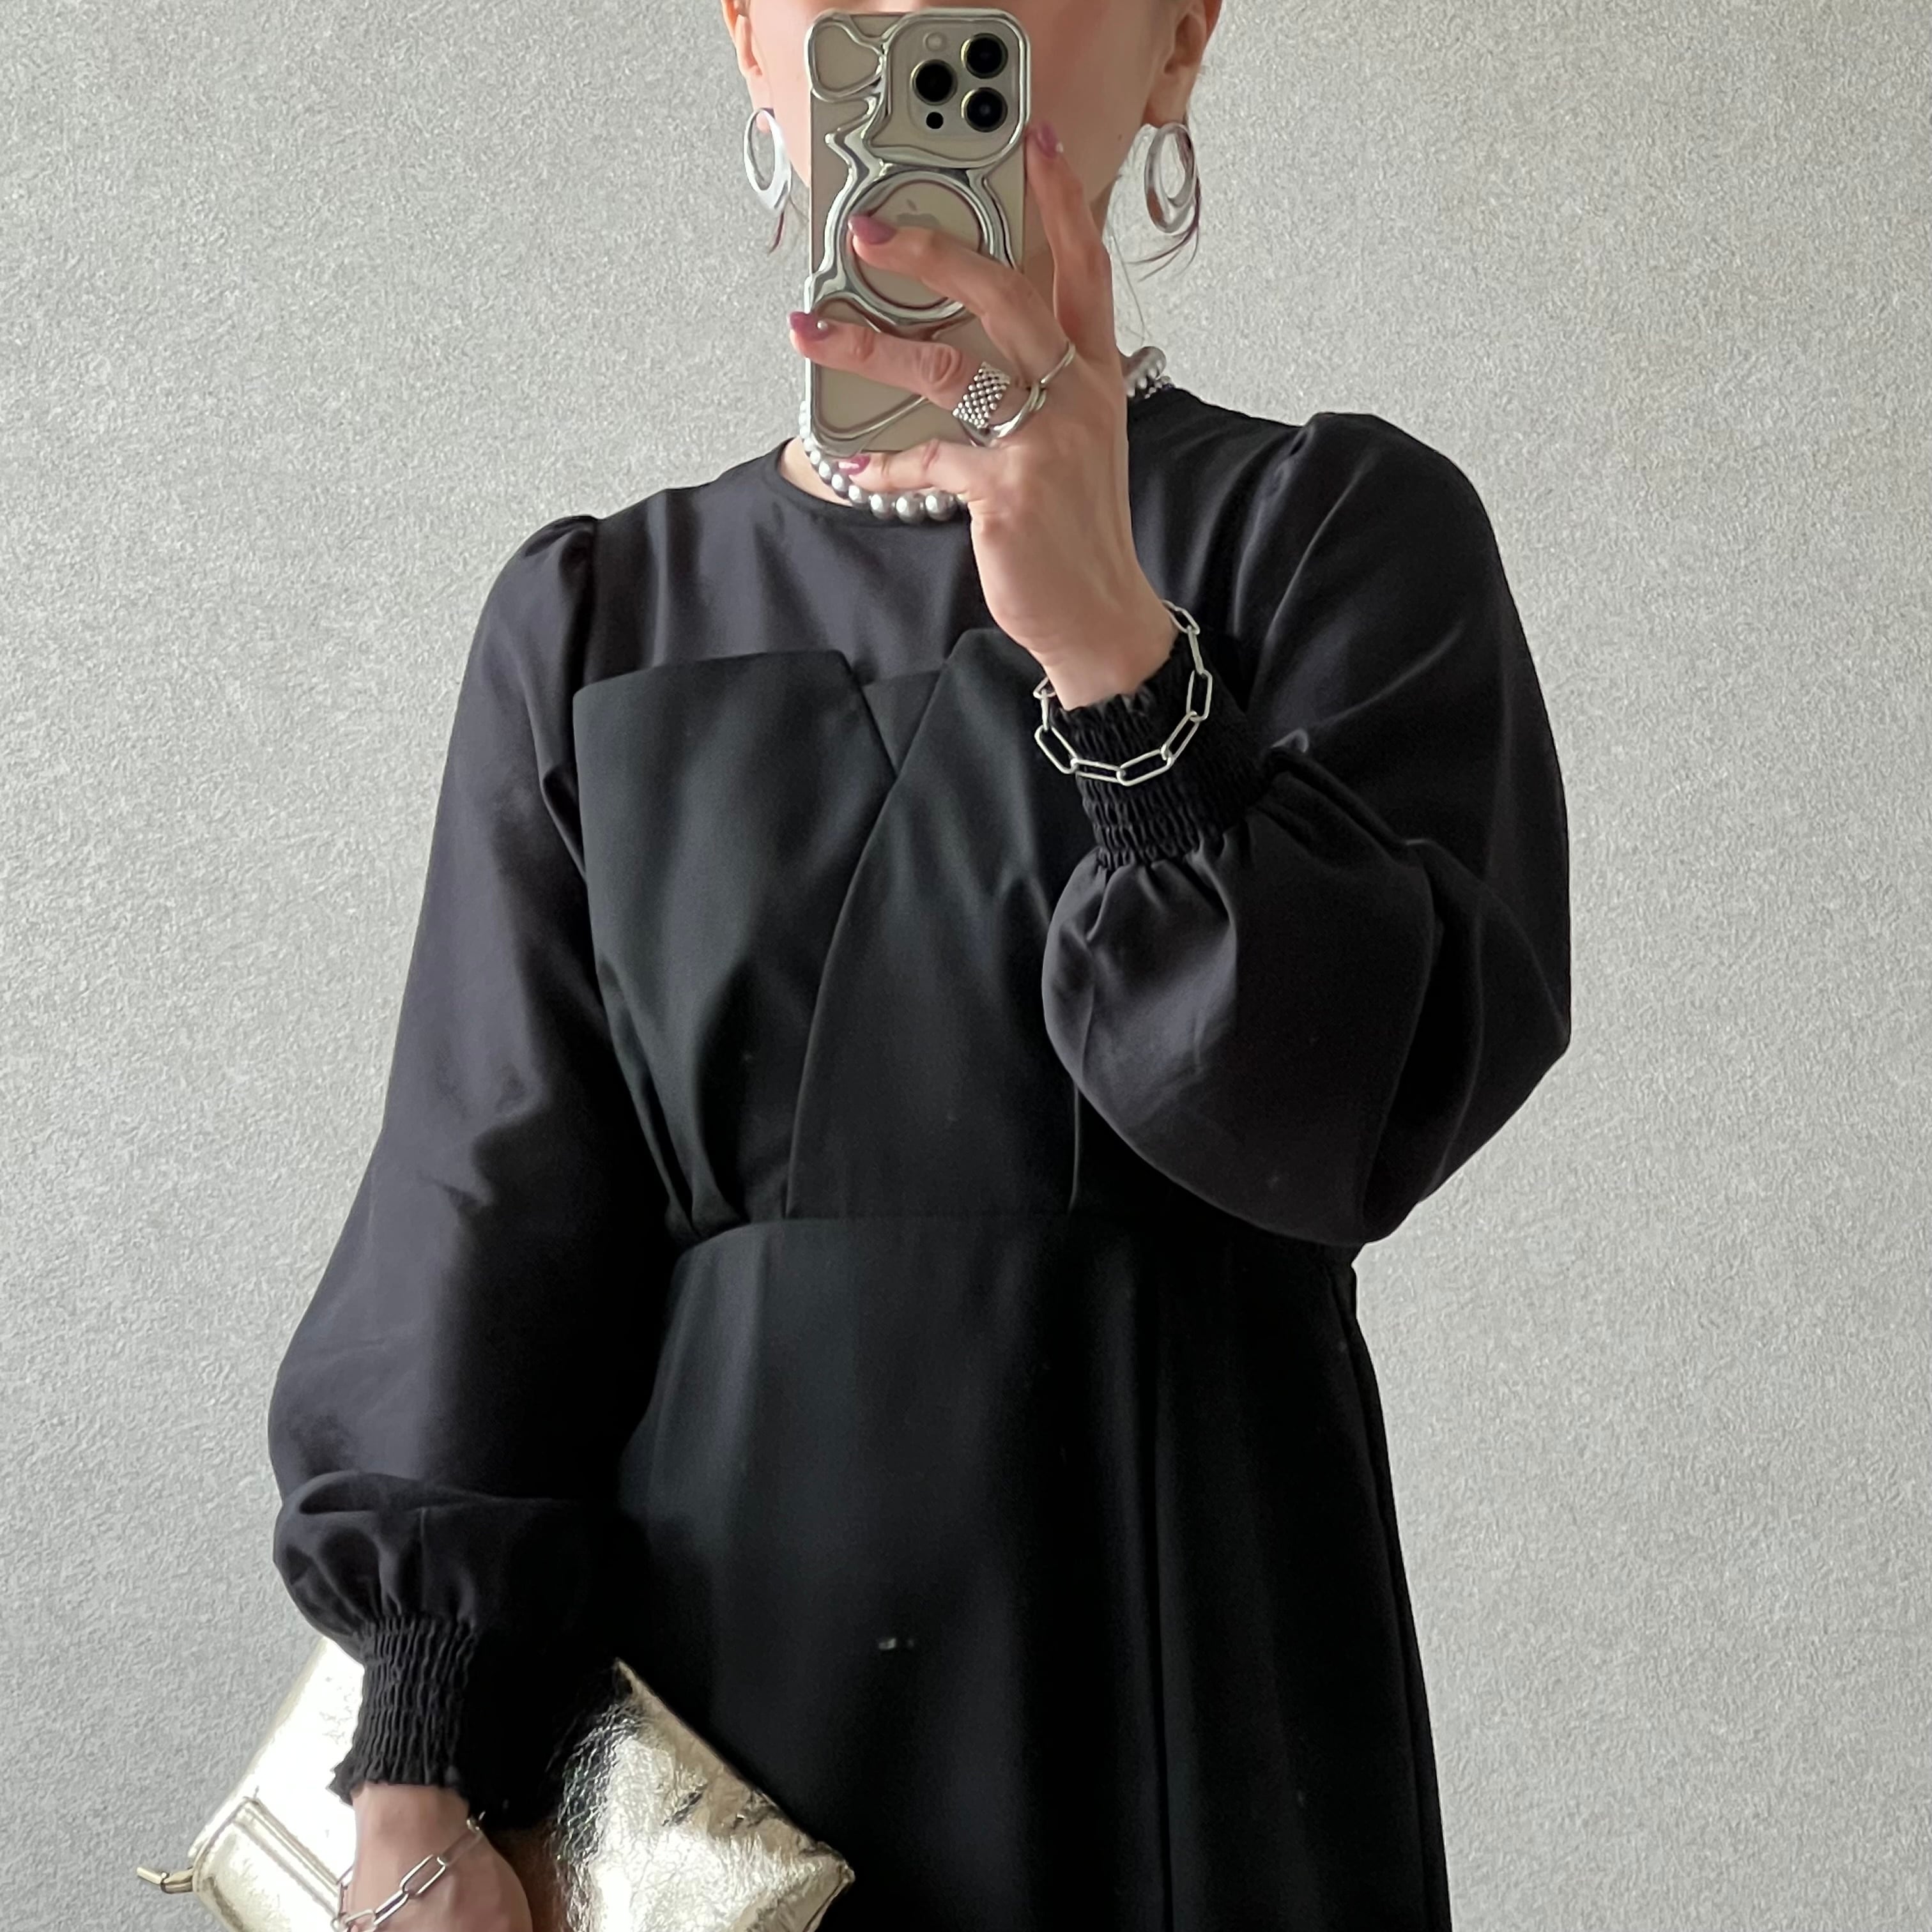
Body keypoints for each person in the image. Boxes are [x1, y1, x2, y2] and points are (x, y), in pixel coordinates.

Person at [266, 1, 1573, 1928]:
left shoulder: (1331, 539)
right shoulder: (596, 621)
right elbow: (486, 1213)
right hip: (712, 1770)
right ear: (752, 42)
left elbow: (1336, 1112)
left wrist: (1119, 660)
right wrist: (420, 1767)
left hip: (1194, 1702)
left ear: (1181, 41)